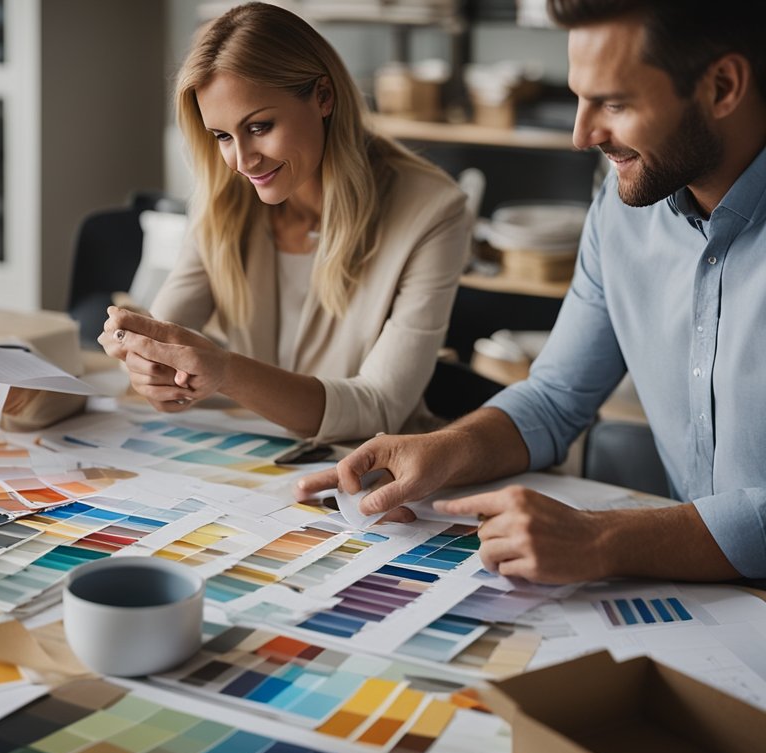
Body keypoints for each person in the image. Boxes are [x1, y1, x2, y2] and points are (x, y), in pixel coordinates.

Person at [297, 0, 766, 584]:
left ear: (723, 86)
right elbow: (553, 399)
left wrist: (605, 539)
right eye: (578, 97)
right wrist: (444, 449)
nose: (581, 134)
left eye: (613, 103)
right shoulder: (623, 216)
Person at [99, 2, 470, 445]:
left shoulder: (433, 211)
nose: (241, 160)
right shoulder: (222, 196)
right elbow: (169, 327)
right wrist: (146, 359)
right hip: (258, 459)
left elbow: (381, 406)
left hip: (372, 469)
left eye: (259, 126)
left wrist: (226, 371)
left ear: (324, 97)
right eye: (222, 136)